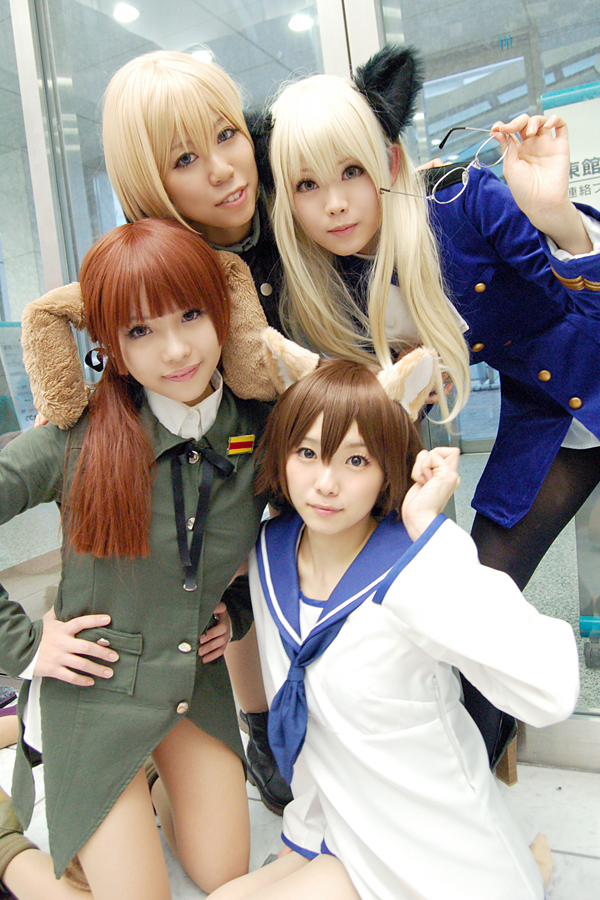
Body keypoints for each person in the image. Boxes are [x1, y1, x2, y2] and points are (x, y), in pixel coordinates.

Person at [265, 49, 600, 762]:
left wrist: (558, 219)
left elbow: (572, 297)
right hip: (549, 414)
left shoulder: (461, 201)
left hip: (587, 365)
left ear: (388, 159)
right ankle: (474, 771)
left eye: (352, 171)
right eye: (307, 184)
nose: (334, 203)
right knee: (482, 592)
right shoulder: (328, 285)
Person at [20, 49, 292, 814]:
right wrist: (67, 403)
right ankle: (250, 726)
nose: (222, 170)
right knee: (210, 549)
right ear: (150, 181)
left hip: (284, 411)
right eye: (184, 159)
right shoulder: (155, 259)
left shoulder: (283, 206)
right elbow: (62, 311)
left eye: (228, 136)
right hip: (201, 437)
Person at [207, 356, 579, 900]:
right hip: (340, 827)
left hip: (433, 847)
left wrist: (428, 530)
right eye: (307, 453)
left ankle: (520, 871)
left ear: (389, 469)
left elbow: (550, 690)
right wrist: (305, 833)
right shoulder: (270, 552)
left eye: (356, 460)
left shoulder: (415, 568)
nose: (326, 484)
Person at [0, 218, 269, 899]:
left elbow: (290, 542)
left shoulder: (261, 430)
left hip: (192, 685)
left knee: (224, 876)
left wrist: (234, 612)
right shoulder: (76, 439)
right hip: (95, 690)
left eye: (191, 314)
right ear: (110, 345)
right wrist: (24, 646)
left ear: (223, 310)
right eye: (140, 329)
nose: (175, 350)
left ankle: (147, 777)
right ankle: (5, 843)